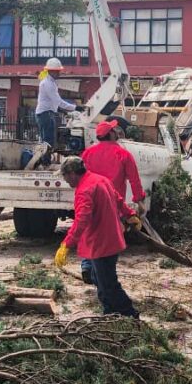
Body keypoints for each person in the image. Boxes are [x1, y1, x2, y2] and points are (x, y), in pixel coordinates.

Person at [53, 157, 142, 318]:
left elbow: (82, 219)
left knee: (108, 284)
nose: (65, 180)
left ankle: (130, 314)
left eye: (64, 176)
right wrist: (130, 215)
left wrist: (66, 244)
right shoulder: (100, 180)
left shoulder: (84, 190)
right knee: (98, 278)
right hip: (111, 238)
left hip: (101, 243)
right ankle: (109, 313)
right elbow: (118, 199)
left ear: (72, 173)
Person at [79, 119, 146, 284]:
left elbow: (80, 177)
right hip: (112, 202)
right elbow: (134, 180)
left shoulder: (87, 153)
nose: (117, 132)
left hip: (90, 199)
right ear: (110, 134)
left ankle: (87, 266)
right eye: (114, 130)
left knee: (90, 231)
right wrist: (139, 201)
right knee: (108, 239)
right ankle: (100, 273)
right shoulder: (123, 154)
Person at [35, 57, 84, 148]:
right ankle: (46, 157)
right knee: (48, 142)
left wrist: (62, 111)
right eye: (57, 71)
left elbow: (51, 102)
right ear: (51, 71)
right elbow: (59, 102)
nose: (59, 73)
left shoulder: (49, 82)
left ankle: (45, 156)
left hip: (45, 113)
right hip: (46, 114)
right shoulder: (48, 84)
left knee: (46, 141)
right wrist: (76, 107)